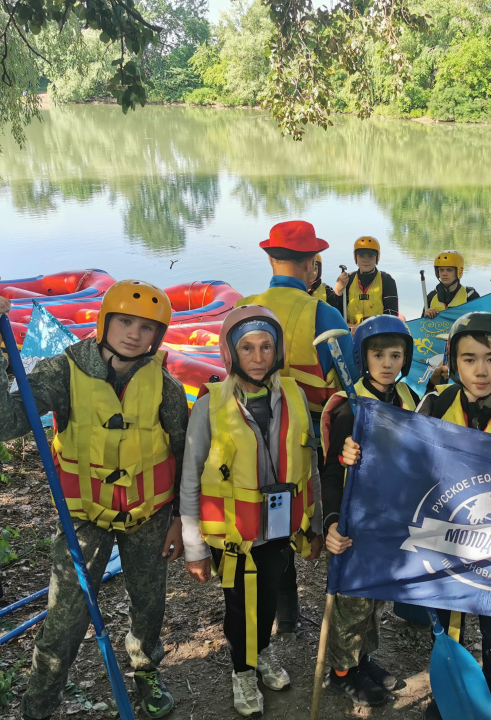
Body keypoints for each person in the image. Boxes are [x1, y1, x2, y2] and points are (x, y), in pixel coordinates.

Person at [0, 280, 189, 720]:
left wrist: (180, 519)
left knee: (149, 604)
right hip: (85, 517)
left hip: (149, 516)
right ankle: (41, 702)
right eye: (124, 322)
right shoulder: (64, 372)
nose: (134, 335)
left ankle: (145, 670)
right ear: (106, 322)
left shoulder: (165, 386)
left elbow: (184, 454)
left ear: (157, 337)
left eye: (147, 328)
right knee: (65, 619)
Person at [342, 312, 491, 720]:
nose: (481, 370)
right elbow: (404, 466)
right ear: (453, 362)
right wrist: (356, 455)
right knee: (449, 627)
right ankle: (452, 696)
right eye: (469, 358)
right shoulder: (433, 406)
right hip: (447, 547)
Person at [180, 305, 323, 718]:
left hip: (280, 524)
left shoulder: (293, 395)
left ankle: (261, 651)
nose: (258, 357)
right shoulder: (210, 404)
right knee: (239, 603)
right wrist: (194, 547)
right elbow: (191, 475)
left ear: (277, 351)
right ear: (231, 353)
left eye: (265, 347)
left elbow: (311, 464)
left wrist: (312, 524)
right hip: (233, 531)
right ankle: (242, 670)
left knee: (270, 597)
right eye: (247, 348)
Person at [240, 221, 357, 637]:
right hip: (312, 439)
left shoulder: (246, 308)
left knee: (274, 522)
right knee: (325, 519)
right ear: (311, 266)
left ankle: (286, 616)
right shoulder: (324, 313)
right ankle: (336, 618)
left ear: (271, 260)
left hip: (255, 438)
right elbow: (350, 383)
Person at [321, 316, 420, 707]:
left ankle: (362, 659)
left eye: (396, 355)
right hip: (354, 521)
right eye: (378, 354)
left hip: (390, 518)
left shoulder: (407, 399)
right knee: (351, 601)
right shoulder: (350, 406)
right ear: (363, 357)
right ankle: (341, 671)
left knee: (375, 598)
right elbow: (329, 472)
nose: (387, 363)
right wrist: (330, 522)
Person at [334, 236, 399, 325]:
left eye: (370, 256)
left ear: (377, 258)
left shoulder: (387, 280)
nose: (365, 260)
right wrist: (337, 292)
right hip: (351, 332)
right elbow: (336, 313)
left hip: (377, 334)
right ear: (355, 257)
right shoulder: (347, 279)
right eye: (361, 256)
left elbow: (392, 314)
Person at [423, 250, 480, 318]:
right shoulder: (431, 296)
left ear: (459, 271)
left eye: (449, 270)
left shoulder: (470, 296)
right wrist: (425, 316)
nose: (444, 274)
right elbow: (419, 326)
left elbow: (480, 322)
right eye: (441, 270)